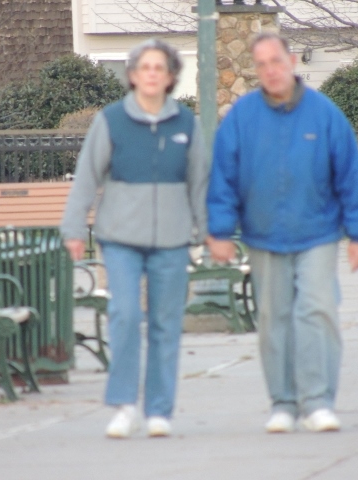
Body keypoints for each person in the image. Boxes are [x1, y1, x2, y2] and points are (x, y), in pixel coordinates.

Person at [206, 32, 358, 433]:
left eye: (276, 62)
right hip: (263, 236)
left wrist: (357, 233)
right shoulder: (242, 118)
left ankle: (317, 401)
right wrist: (218, 232)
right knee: (273, 318)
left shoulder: (325, 114)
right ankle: (282, 402)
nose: (271, 70)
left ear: (292, 60)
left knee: (316, 312)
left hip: (316, 232)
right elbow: (223, 179)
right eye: (262, 64)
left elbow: (349, 173)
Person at [60, 39, 208, 438]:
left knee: (165, 322)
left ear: (171, 77)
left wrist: (210, 232)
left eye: (160, 68)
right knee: (125, 315)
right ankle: (124, 405)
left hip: (173, 240)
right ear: (132, 76)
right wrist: (74, 229)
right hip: (120, 238)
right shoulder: (110, 121)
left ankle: (159, 409)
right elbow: (87, 178)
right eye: (145, 67)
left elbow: (200, 183)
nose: (152, 74)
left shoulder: (187, 123)